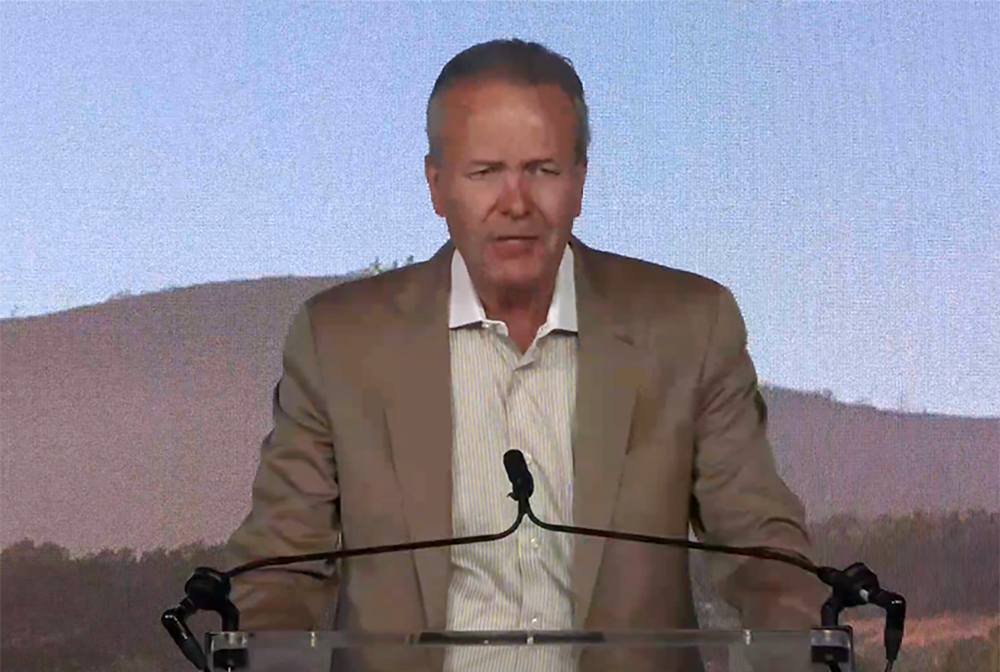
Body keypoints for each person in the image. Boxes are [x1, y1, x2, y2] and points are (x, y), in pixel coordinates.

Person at [225, 38, 827, 672]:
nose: (515, 203)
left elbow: (765, 555)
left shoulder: (688, 328)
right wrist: (261, 647)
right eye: (485, 172)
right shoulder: (338, 341)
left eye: (542, 170)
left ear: (580, 179)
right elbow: (277, 570)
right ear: (436, 186)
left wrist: (799, 644)